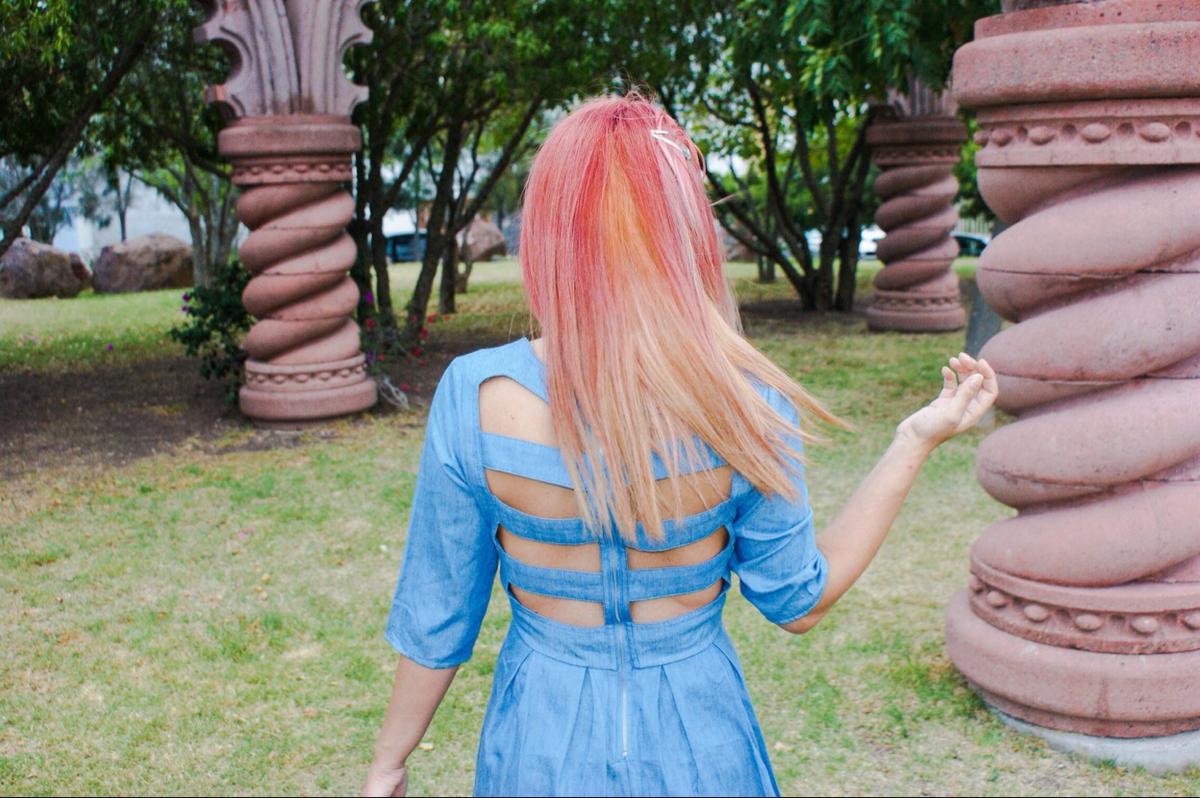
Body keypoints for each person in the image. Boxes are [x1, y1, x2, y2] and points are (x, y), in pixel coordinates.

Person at [362, 93, 998, 798]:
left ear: (550, 229)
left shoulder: (475, 396)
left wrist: (389, 764)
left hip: (537, 746)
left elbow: (438, 619)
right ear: (685, 228)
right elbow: (800, 602)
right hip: (703, 744)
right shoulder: (746, 400)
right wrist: (913, 440)